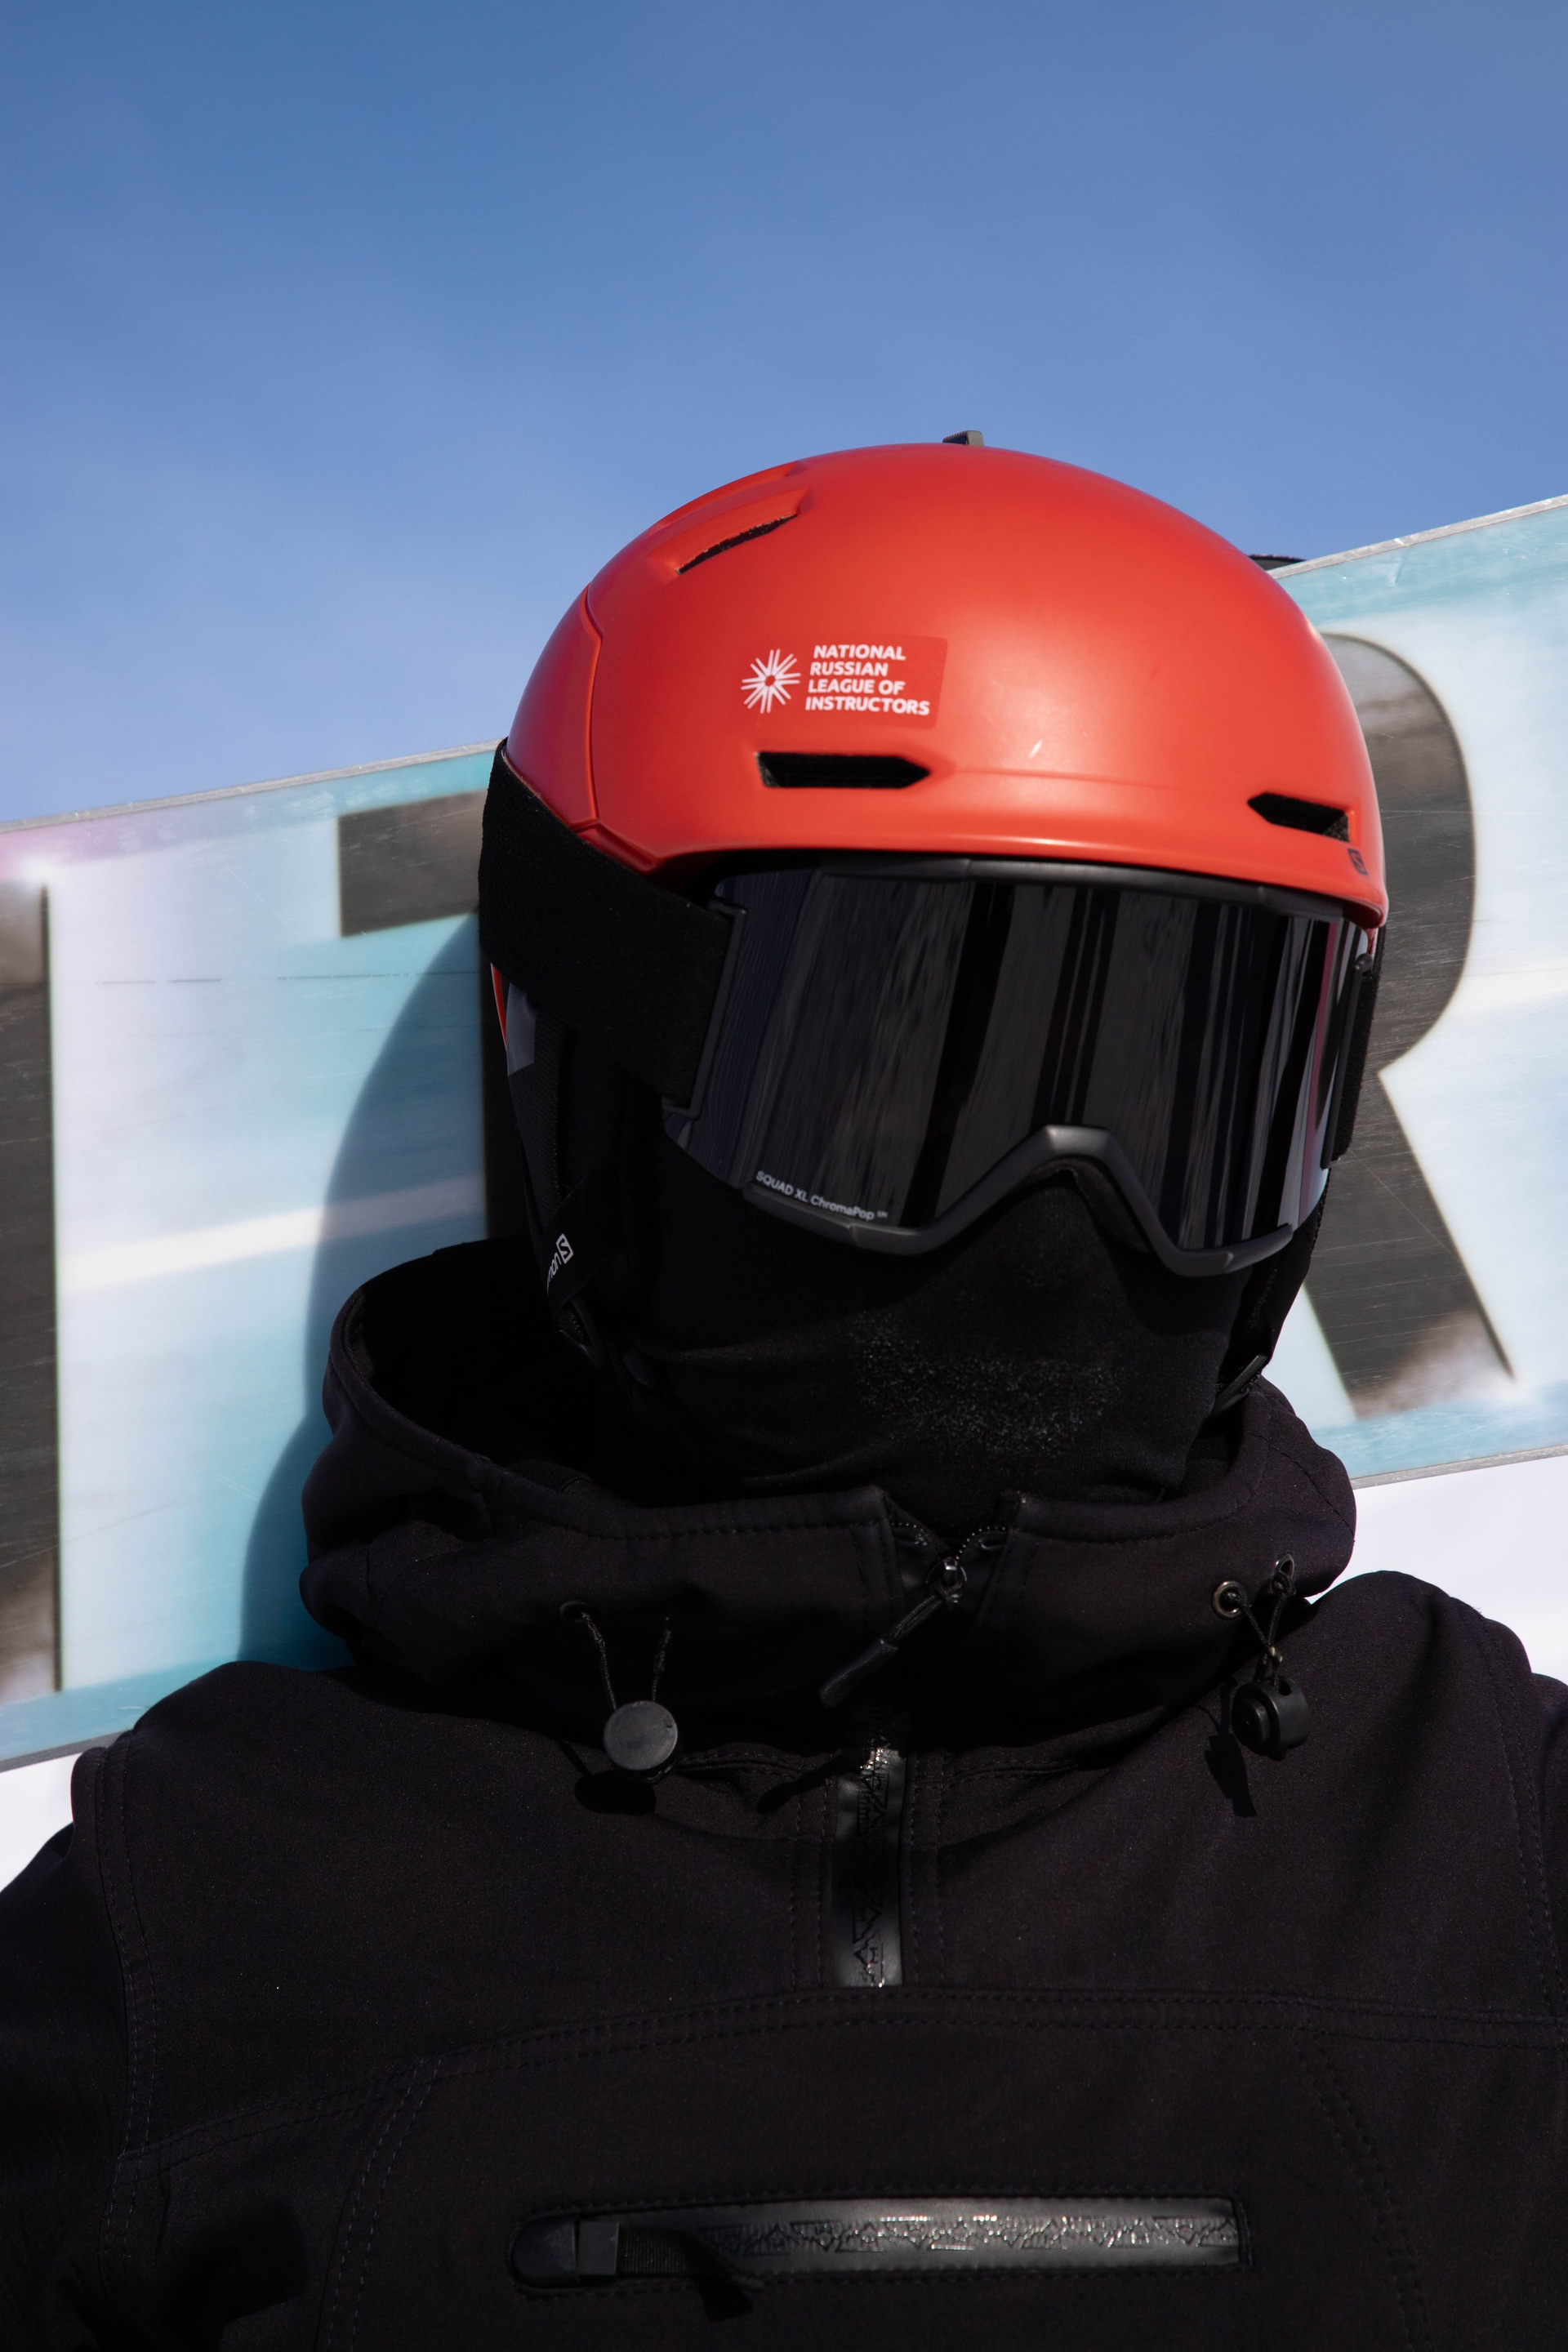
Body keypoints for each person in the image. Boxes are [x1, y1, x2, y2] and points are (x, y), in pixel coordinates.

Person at [2, 439, 1564, 2351]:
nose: (1057, 1215)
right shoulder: (205, 1915)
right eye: (893, 1069)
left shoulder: (1490, 1836)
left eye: (1191, 1095)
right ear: (586, 1066)